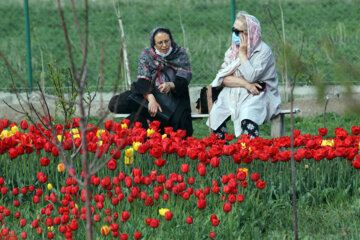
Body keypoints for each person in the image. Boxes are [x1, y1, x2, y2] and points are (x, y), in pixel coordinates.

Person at [206, 11, 281, 139]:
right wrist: (245, 84)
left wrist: (242, 55)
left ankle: (250, 153)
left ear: (249, 33)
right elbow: (222, 79)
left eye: (238, 32)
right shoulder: (231, 51)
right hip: (236, 91)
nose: (234, 34)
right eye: (233, 30)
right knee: (216, 114)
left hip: (259, 92)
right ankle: (221, 152)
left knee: (249, 113)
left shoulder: (263, 51)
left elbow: (252, 77)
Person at [129, 26, 193, 136]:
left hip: (175, 97)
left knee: (180, 124)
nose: (164, 45)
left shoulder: (180, 53)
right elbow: (142, 80)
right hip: (152, 96)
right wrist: (151, 99)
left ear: (171, 40)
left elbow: (184, 79)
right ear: (153, 43)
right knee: (139, 120)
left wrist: (170, 85)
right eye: (160, 43)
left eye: (166, 41)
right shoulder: (147, 56)